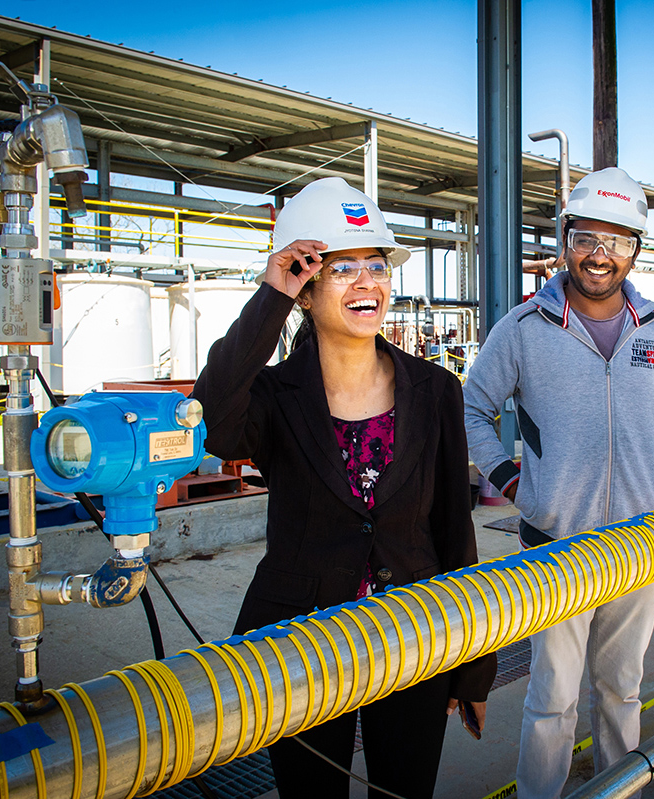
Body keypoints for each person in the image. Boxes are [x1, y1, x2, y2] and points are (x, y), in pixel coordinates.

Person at [193, 177, 496, 799]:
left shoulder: (435, 388)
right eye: (342, 269)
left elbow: (453, 529)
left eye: (377, 266)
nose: (367, 282)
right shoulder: (276, 395)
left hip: (416, 634)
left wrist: (473, 667)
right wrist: (270, 297)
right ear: (305, 290)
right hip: (299, 643)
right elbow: (214, 421)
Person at [464, 167, 654, 799]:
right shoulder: (524, 328)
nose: (600, 255)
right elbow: (472, 408)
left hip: (643, 541)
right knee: (551, 696)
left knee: (621, 689)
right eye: (586, 239)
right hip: (556, 547)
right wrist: (509, 481)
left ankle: (618, 790)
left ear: (636, 249)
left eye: (618, 241)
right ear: (564, 239)